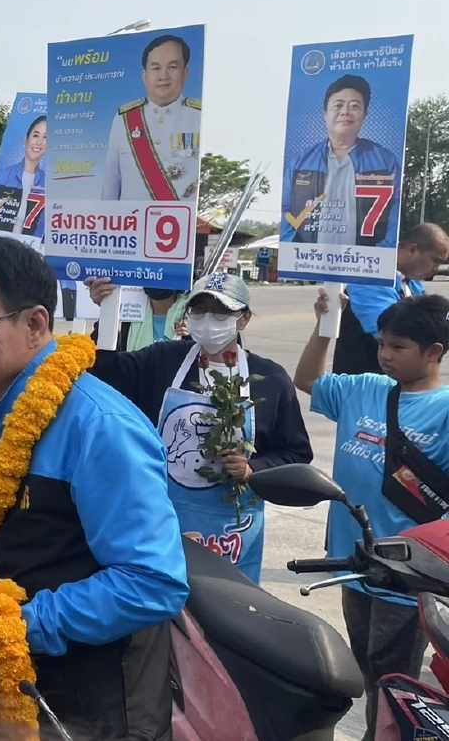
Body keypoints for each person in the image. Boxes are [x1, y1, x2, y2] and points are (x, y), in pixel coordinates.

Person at [0, 237, 189, 739]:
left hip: (95, 704)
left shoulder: (99, 425)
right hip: (23, 685)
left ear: (34, 324)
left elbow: (153, 584)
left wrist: (14, 625)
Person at [294, 290, 449, 740]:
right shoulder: (363, 387)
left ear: (434, 352)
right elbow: (307, 379)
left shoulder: (443, 409)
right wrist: (326, 324)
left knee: (393, 675)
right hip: (351, 559)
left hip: (406, 574)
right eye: (382, 343)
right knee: (364, 663)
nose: (385, 354)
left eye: (398, 347)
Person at [89, 272, 313, 582]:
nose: (208, 320)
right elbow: (104, 372)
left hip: (231, 536)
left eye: (221, 312)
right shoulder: (164, 359)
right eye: (199, 310)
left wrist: (253, 468)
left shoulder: (270, 380)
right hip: (161, 525)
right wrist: (106, 310)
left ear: (243, 319)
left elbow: (296, 455)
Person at [282, 75, 403, 247]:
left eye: (354, 106)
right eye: (338, 105)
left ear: (364, 115)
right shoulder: (300, 163)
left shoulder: (385, 161)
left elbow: (396, 211)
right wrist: (295, 249)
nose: (345, 112)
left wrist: (381, 253)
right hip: (309, 265)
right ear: (325, 114)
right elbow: (285, 210)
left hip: (364, 266)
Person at [334, 222, 449, 375]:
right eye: (436, 260)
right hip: (364, 384)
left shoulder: (413, 283)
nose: (437, 268)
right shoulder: (370, 279)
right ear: (412, 249)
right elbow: (395, 331)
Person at [102, 34, 201, 202]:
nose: (163, 76)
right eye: (156, 68)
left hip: (179, 225)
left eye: (172, 67)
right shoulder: (124, 119)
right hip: (131, 224)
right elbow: (111, 184)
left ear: (185, 73)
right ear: (144, 75)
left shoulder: (199, 117)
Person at [0, 115, 48, 239]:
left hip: (29, 251)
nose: (39, 142)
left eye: (45, 137)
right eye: (36, 135)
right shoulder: (3, 175)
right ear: (26, 139)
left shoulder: (48, 182)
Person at [83, 278, 191, 351]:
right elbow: (106, 357)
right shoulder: (130, 313)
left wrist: (194, 335)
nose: (158, 275)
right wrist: (107, 306)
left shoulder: (193, 315)